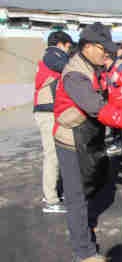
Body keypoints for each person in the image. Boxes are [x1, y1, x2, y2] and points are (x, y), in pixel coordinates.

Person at [53, 22, 122, 262]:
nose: (105, 54)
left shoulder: (93, 68)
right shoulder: (76, 74)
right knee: (76, 195)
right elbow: (98, 108)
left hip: (88, 137)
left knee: (92, 183)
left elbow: (109, 99)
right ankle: (83, 252)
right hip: (71, 141)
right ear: (86, 46)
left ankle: (84, 226)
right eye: (101, 49)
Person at [34, 30, 74, 213]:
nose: (68, 51)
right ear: (60, 45)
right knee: (52, 156)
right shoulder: (53, 55)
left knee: (55, 155)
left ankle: (52, 193)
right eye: (68, 47)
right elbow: (66, 66)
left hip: (49, 112)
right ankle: (50, 200)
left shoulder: (51, 56)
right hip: (47, 113)